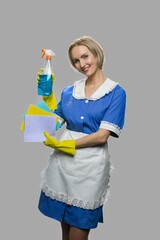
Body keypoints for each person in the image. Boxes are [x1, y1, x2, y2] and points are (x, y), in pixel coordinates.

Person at [38, 36, 126, 240]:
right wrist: (47, 98)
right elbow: (54, 121)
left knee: (79, 229)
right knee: (65, 231)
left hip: (89, 169)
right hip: (63, 167)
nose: (82, 64)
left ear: (97, 54)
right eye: (76, 61)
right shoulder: (70, 91)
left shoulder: (115, 93)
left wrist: (64, 144)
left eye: (85, 56)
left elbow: (102, 136)